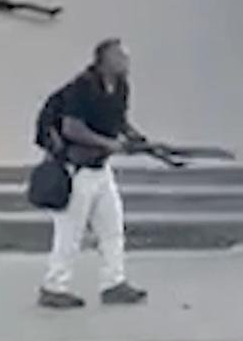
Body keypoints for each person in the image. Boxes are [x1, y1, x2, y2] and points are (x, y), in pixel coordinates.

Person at [38, 38, 148, 309]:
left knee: (112, 228)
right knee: (69, 233)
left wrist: (136, 139)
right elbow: (71, 128)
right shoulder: (82, 87)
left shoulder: (120, 86)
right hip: (76, 170)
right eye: (120, 56)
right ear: (104, 60)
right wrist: (111, 144)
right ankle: (54, 286)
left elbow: (118, 121)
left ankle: (114, 282)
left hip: (100, 169)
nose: (126, 60)